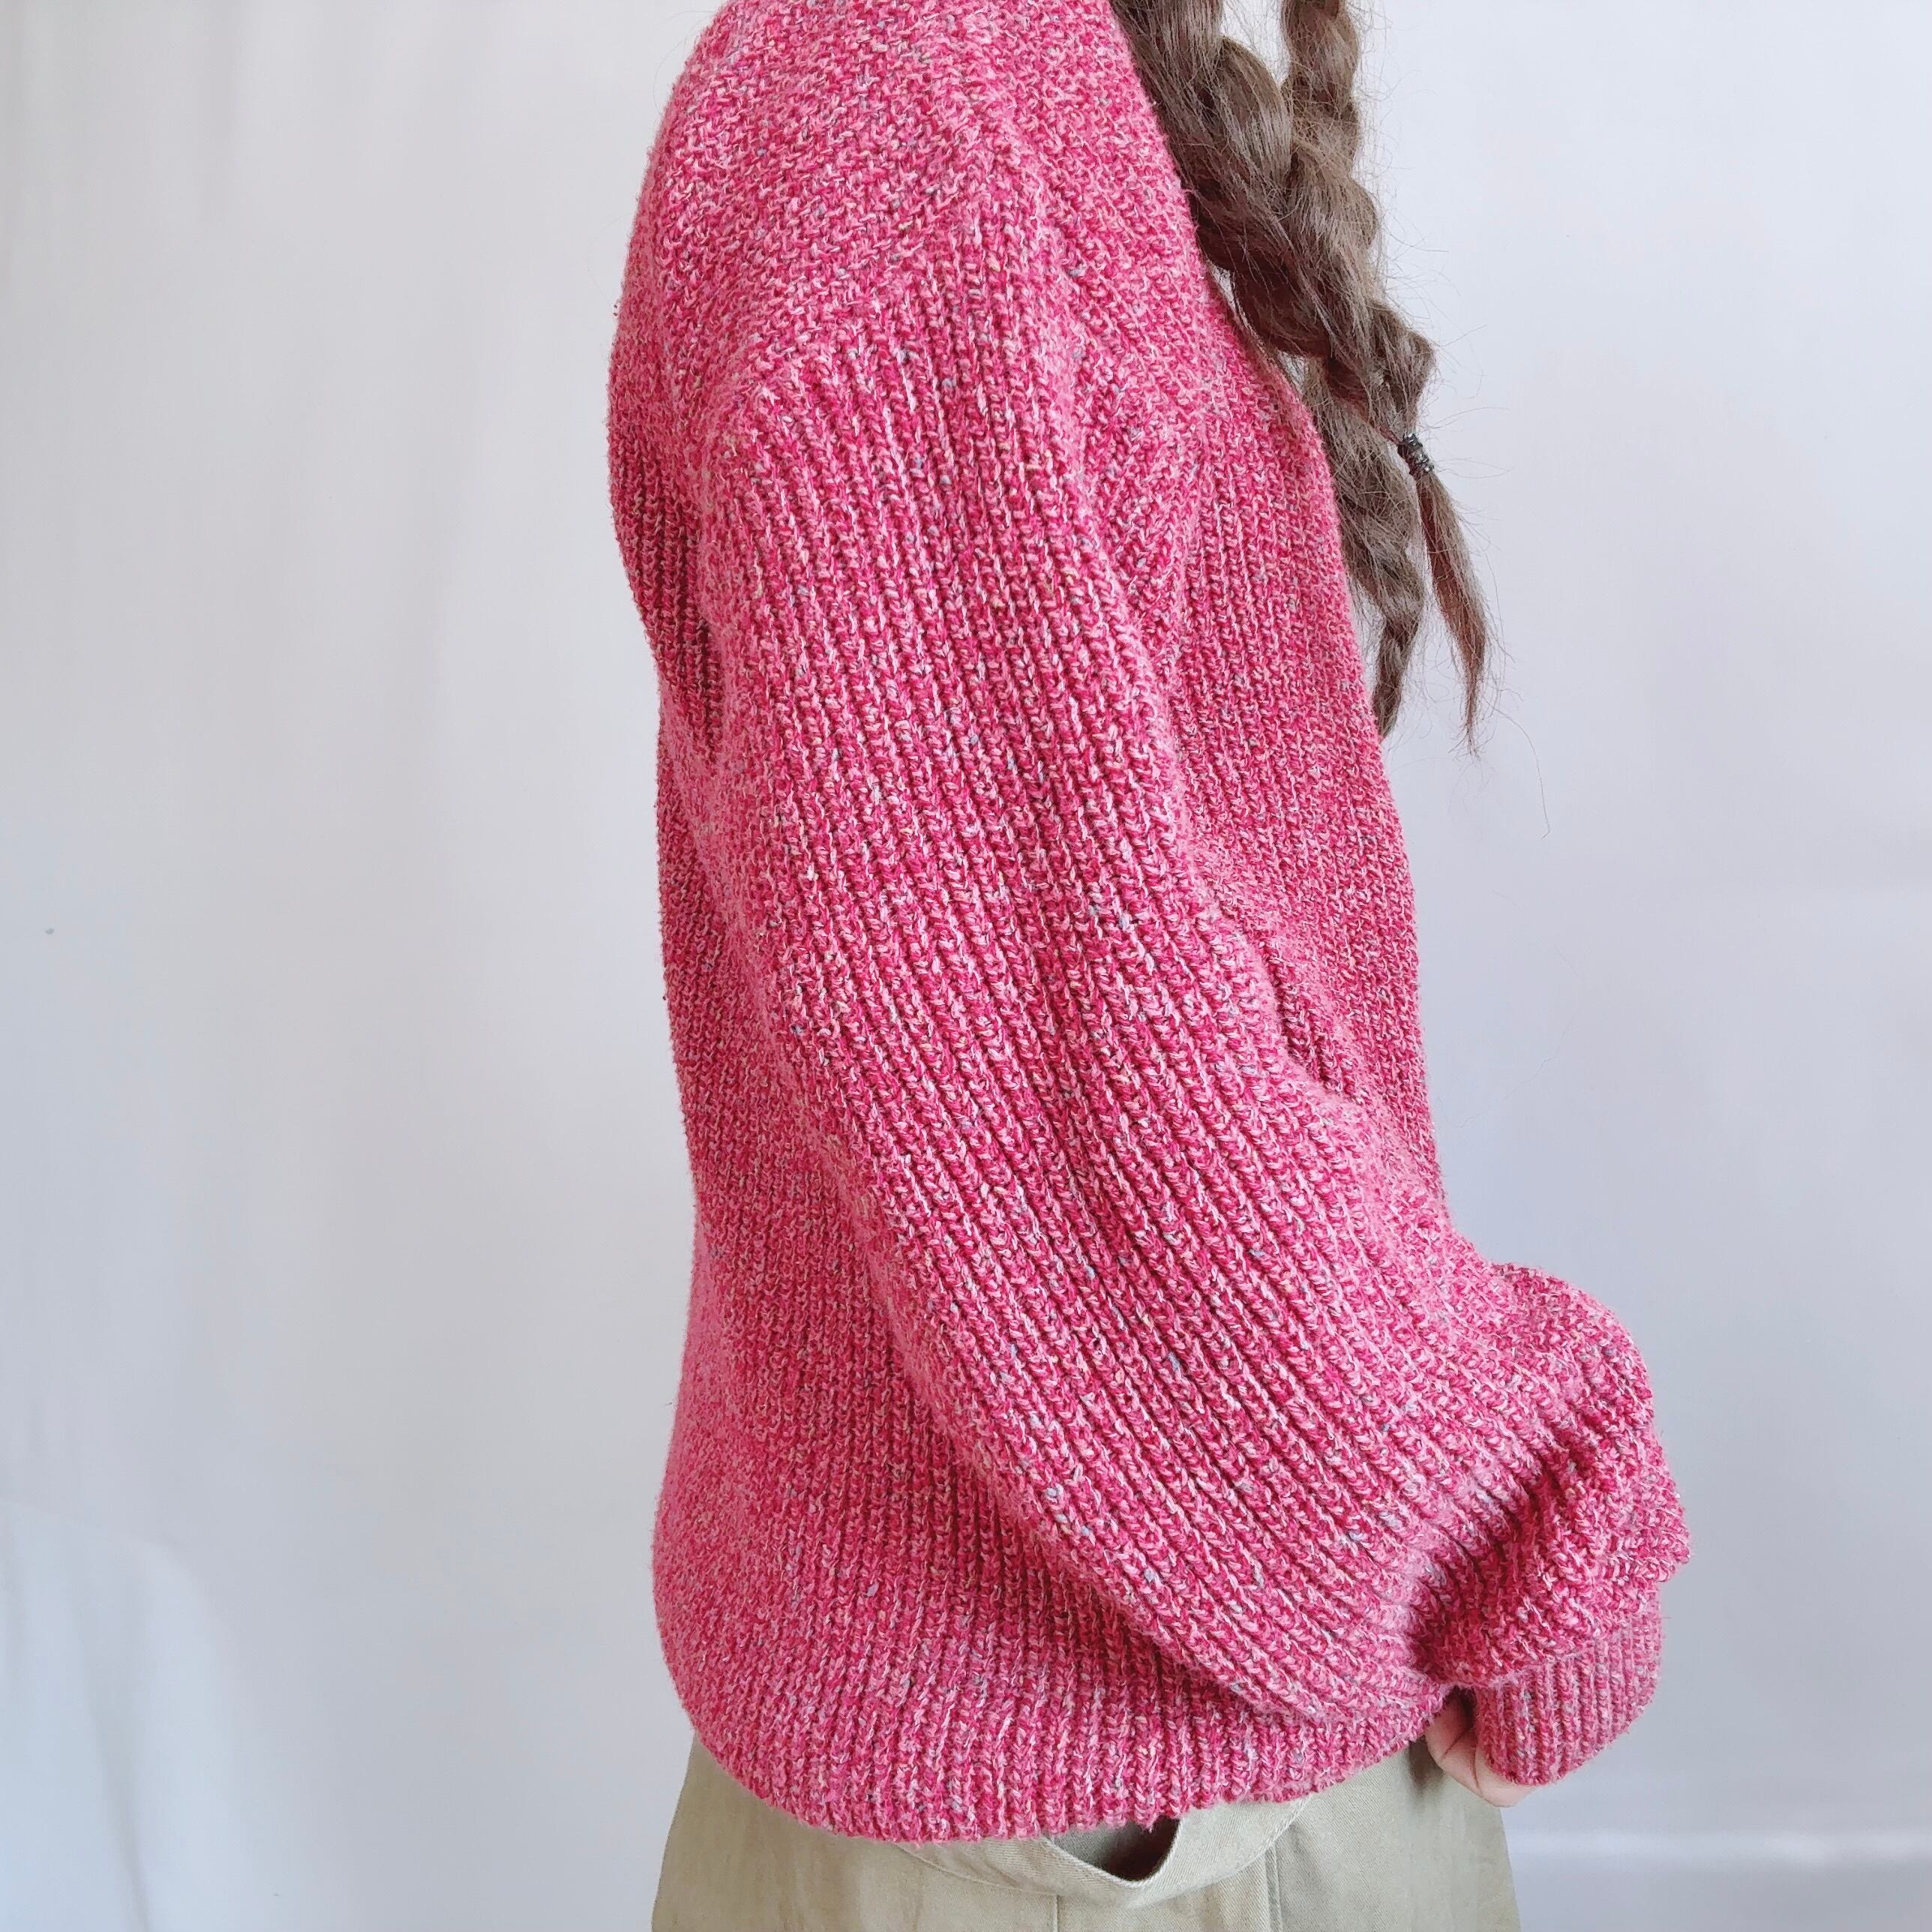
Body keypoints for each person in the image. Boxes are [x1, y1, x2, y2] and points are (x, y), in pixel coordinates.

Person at [605, 0, 1691, 1923]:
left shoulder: (975, 79)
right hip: (1118, 1795)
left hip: (1095, 1728)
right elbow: (1038, 1085)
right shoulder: (914, 97)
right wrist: (1518, 1523)